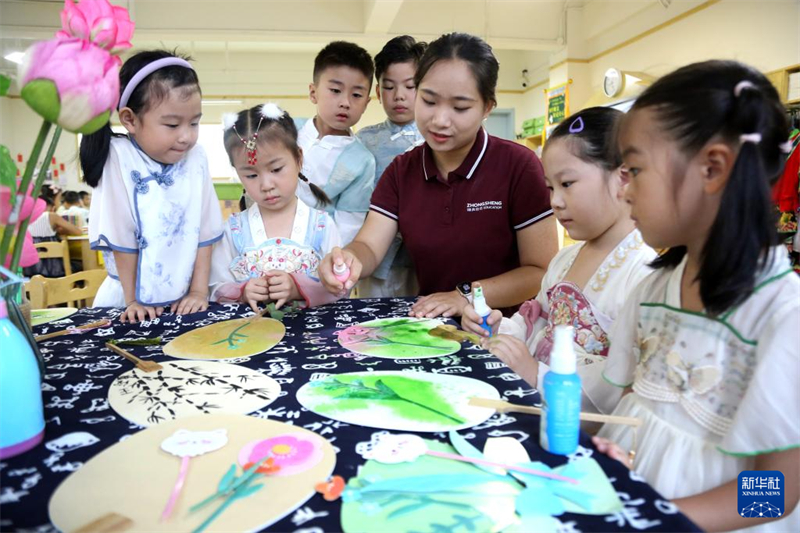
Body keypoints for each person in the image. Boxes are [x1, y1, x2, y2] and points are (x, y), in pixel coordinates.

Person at [588, 60, 799, 532]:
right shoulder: (654, 288)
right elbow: (634, 409)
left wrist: (663, 519)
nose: (624, 191)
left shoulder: (784, 315)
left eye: (635, 169)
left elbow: (778, 493)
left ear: (712, 168)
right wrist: (614, 451)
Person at [320, 32, 557, 318]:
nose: (440, 120)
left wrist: (466, 296)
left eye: (459, 107)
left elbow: (540, 271)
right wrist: (350, 258)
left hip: (508, 333)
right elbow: (370, 245)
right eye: (429, 101)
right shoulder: (402, 171)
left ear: (487, 107)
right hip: (433, 331)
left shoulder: (518, 165)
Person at [463, 107, 657, 395]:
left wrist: (535, 373)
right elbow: (535, 324)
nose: (555, 201)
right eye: (550, 188)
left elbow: (620, 385)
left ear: (623, 177)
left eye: (567, 184)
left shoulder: (642, 272)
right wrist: (497, 330)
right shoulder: (564, 260)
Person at [81, 50, 223, 323]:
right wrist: (133, 299)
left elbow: (204, 230)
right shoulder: (119, 157)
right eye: (172, 124)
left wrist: (198, 291)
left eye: (194, 122)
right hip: (127, 298)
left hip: (184, 298)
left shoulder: (197, 158)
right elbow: (120, 236)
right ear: (130, 119)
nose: (186, 136)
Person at [209, 103, 343, 311]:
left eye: (276, 169)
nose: (266, 185)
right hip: (250, 338)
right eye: (251, 175)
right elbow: (215, 288)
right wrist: (243, 291)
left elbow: (339, 288)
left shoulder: (322, 226)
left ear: (298, 159)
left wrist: (298, 289)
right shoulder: (233, 229)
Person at [355, 35, 427, 298]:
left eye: (410, 86)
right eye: (389, 87)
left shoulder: (436, 139)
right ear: (377, 92)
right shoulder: (363, 140)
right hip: (376, 263)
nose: (399, 96)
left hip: (425, 263)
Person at [296, 41, 376, 246]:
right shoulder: (285, 130)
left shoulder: (362, 161)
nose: (345, 102)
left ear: (367, 102)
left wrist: (327, 262)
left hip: (315, 253)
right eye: (335, 90)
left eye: (356, 95)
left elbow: (348, 224)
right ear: (313, 92)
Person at [23, 188, 82, 278]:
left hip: (30, 270)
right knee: (80, 264)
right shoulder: (50, 216)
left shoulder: (24, 218)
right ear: (50, 206)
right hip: (55, 268)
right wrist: (60, 230)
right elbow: (77, 232)